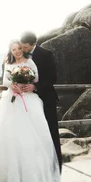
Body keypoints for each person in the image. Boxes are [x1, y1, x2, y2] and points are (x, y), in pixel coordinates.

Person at [0, 40, 60, 182]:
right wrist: (13, 84)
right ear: (11, 51)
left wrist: (28, 83)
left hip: (29, 100)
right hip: (12, 100)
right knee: (9, 136)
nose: (18, 51)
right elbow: (6, 80)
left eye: (19, 48)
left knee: (31, 137)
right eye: (14, 49)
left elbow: (36, 77)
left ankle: (33, 177)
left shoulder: (30, 62)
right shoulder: (8, 63)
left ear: (22, 49)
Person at [19, 31, 62, 172]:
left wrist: (35, 86)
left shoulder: (46, 54)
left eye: (25, 47)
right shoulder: (22, 55)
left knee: (51, 131)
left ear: (33, 44)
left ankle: (55, 167)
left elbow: (53, 78)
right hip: (28, 101)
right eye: (22, 47)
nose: (23, 49)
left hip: (46, 98)